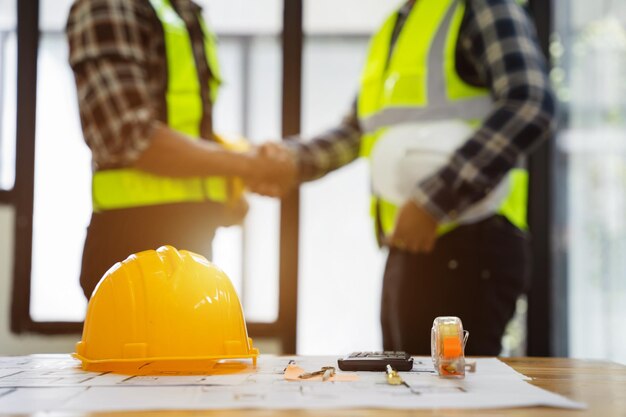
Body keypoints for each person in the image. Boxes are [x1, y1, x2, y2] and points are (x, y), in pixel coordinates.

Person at [254, 0, 556, 355]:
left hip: (473, 243)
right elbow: (359, 130)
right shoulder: (396, 26)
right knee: (408, 389)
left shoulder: (480, 6)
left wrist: (434, 202)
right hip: (409, 242)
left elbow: (531, 103)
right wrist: (291, 160)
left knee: (454, 397)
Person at [66, 0, 295, 298]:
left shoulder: (180, 10)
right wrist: (247, 165)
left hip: (189, 241)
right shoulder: (107, 5)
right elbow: (129, 135)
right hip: (132, 248)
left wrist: (221, 188)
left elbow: (187, 128)